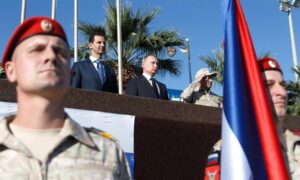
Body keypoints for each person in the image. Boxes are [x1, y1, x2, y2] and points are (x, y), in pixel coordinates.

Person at [0, 16, 131, 179]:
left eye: (61, 52)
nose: (51, 57)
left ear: (68, 73)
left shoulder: (108, 153)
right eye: (37, 49)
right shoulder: (81, 66)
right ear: (11, 70)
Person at [204, 57, 300, 179]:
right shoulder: (231, 149)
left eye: (282, 84)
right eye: (268, 84)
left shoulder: (297, 143)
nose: (280, 92)